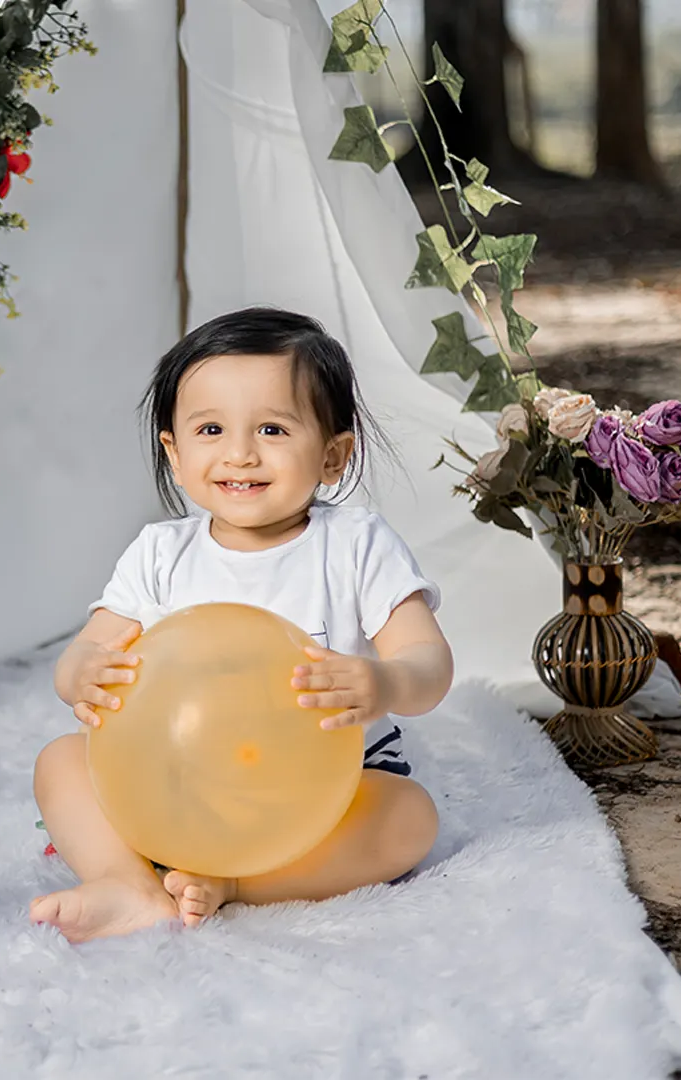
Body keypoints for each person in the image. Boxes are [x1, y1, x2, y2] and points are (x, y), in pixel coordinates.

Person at [29, 307, 455, 943]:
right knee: (60, 762)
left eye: (273, 430)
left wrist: (386, 683)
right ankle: (127, 882)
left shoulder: (355, 545)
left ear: (334, 454)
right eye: (210, 428)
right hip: (175, 777)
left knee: (409, 820)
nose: (240, 454)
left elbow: (429, 661)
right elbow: (85, 654)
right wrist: (80, 673)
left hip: (324, 789)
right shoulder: (160, 553)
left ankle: (233, 882)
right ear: (174, 453)